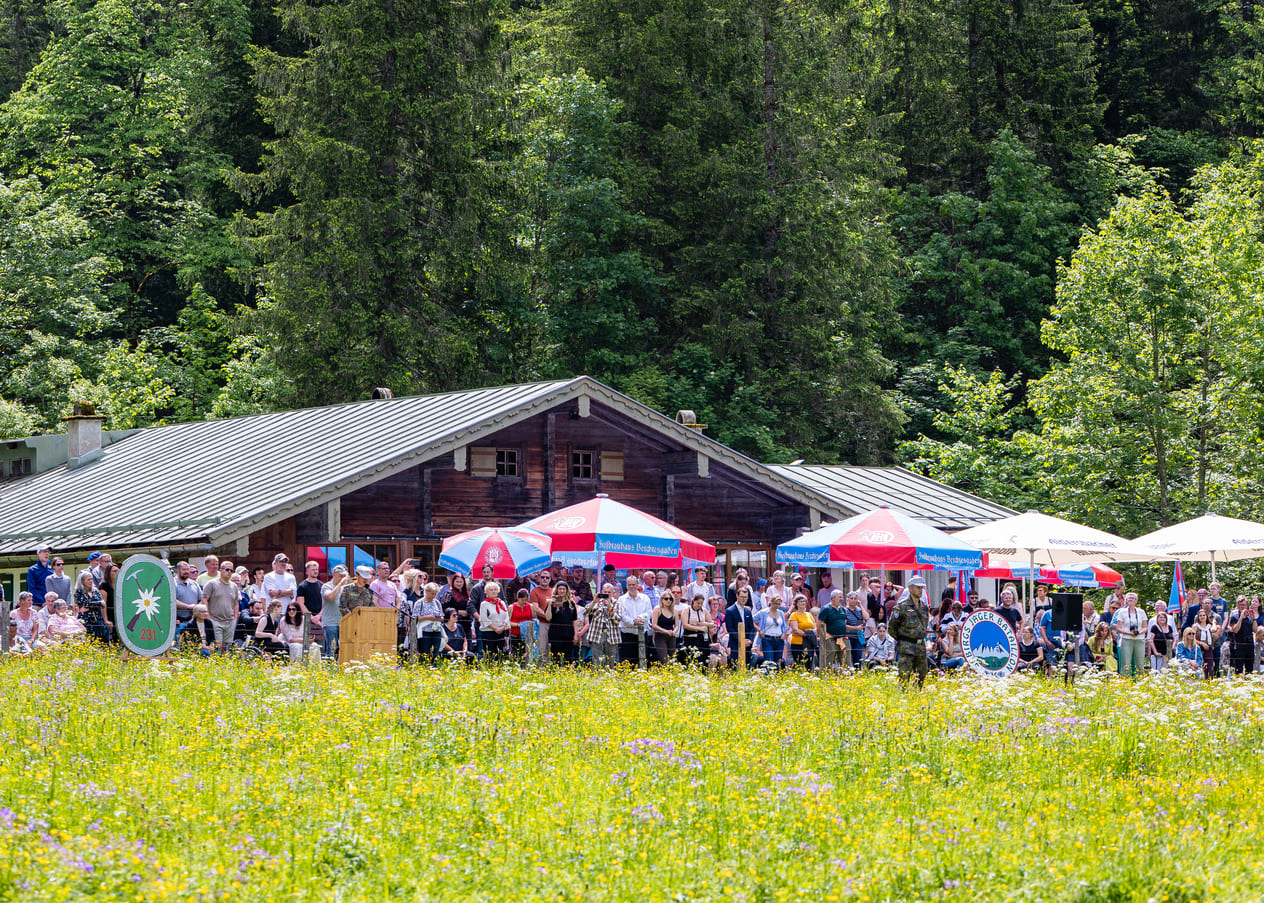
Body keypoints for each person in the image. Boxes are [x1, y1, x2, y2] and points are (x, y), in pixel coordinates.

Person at [888, 577, 931, 688]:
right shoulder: (901, 606)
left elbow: (924, 625)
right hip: (906, 647)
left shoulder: (924, 607)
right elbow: (892, 627)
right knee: (904, 676)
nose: (920, 590)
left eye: (921, 588)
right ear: (910, 589)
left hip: (920, 646)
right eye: (918, 588)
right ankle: (904, 698)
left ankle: (917, 697)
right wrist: (903, 639)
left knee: (921, 675)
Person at [201, 559, 241, 654]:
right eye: (227, 570)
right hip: (215, 620)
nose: (229, 572)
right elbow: (204, 600)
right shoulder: (212, 584)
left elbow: (236, 603)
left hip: (229, 620)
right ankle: (214, 664)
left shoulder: (234, 586)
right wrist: (208, 618)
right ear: (221, 570)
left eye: (232, 570)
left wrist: (235, 619)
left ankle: (222, 664)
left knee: (225, 646)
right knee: (216, 646)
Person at [1111, 592, 1147, 678]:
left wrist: (1139, 632)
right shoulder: (1122, 612)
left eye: (1133, 598)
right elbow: (1118, 628)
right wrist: (1128, 633)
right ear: (1126, 600)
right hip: (1126, 639)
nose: (1131, 599)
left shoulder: (1141, 612)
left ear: (1136, 601)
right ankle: (1125, 681)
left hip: (1139, 639)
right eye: (1129, 598)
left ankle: (1140, 681)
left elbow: (1146, 627)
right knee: (1125, 663)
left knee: (1140, 663)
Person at [618, 578, 652, 667]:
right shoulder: (621, 599)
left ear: (637, 585)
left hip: (642, 633)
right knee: (627, 661)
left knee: (642, 659)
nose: (632, 587)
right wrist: (633, 622)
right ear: (627, 586)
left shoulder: (645, 598)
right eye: (629, 585)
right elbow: (622, 616)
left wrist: (640, 618)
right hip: (627, 634)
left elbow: (649, 613)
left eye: (633, 584)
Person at [584, 585, 620, 668]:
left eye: (609, 592)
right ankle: (596, 678)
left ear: (613, 593)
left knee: (611, 662)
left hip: (612, 635)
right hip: (597, 634)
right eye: (605, 592)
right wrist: (593, 602)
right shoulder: (597, 602)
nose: (606, 594)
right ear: (601, 592)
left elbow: (617, 620)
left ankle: (609, 678)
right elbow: (585, 612)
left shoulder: (617, 603)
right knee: (596, 662)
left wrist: (609, 608)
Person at [72, 569, 111, 644]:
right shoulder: (79, 592)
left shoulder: (95, 591)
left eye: (91, 579)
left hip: (98, 620)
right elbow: (85, 604)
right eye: (88, 580)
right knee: (89, 641)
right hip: (86, 621)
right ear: (82, 581)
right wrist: (97, 604)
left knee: (102, 641)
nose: (91, 581)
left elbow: (103, 604)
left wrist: (90, 606)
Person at [412, 581, 445, 663]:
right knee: (425, 651)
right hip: (424, 631)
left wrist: (438, 618)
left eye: (435, 594)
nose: (434, 596)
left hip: (436, 630)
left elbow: (442, 617)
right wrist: (428, 617)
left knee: (435, 651)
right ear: (426, 592)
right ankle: (424, 665)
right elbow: (415, 618)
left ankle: (434, 665)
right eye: (432, 593)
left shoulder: (437, 602)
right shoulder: (420, 603)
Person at [321, 565, 348, 659]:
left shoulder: (345, 588)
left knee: (346, 649)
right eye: (340, 576)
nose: (342, 578)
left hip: (344, 623)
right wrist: (340, 584)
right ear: (333, 574)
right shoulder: (327, 586)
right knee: (332, 649)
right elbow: (330, 597)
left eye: (343, 576)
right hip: (330, 623)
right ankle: (329, 670)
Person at [547, 583, 579, 664]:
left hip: (568, 634)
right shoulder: (552, 602)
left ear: (566, 590)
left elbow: (574, 620)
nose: (561, 591)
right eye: (560, 589)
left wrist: (576, 634)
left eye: (563, 589)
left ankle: (566, 674)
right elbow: (548, 618)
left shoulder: (571, 604)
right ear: (557, 590)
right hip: (555, 634)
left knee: (567, 658)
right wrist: (550, 605)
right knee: (555, 657)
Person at [817, 590, 849, 671]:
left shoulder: (842, 609)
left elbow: (844, 622)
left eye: (842, 597)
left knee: (846, 661)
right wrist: (821, 637)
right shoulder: (826, 609)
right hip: (830, 639)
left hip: (842, 639)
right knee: (828, 662)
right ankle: (827, 677)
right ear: (833, 598)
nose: (842, 599)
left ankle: (845, 678)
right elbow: (819, 624)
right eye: (840, 597)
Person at [724, 587, 756, 667]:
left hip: (747, 645)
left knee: (747, 668)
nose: (743, 599)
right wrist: (741, 640)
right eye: (742, 597)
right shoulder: (730, 611)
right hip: (735, 644)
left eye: (745, 597)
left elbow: (751, 628)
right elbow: (730, 629)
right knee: (736, 668)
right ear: (737, 596)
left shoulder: (748, 611)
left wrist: (750, 640)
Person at [478, 582, 510, 660]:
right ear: (486, 592)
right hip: (488, 633)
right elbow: (484, 619)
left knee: (500, 655)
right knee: (490, 655)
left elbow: (506, 616)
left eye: (495, 590)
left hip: (501, 632)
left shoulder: (501, 603)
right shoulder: (484, 604)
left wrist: (502, 627)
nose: (493, 591)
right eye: (491, 590)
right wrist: (495, 628)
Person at [753, 595, 787, 669]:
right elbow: (751, 620)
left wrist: (784, 633)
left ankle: (777, 678)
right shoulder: (763, 612)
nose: (777, 606)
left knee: (778, 662)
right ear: (771, 602)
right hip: (768, 639)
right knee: (769, 661)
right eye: (775, 604)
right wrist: (759, 630)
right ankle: (768, 678)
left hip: (779, 639)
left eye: (778, 604)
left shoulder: (781, 613)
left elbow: (783, 626)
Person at [1225, 595, 1256, 675]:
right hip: (1239, 645)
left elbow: (1255, 630)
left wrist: (1254, 619)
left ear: (1247, 606)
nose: (1242, 606)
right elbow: (1235, 630)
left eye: (1243, 605)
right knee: (1238, 669)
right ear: (1237, 606)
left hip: (1249, 645)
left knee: (1249, 669)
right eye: (1240, 605)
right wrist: (1241, 617)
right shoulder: (1234, 616)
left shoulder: (1250, 616)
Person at [679, 593, 712, 665]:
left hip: (703, 639)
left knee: (703, 660)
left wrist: (704, 624)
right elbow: (685, 625)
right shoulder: (687, 610)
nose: (700, 605)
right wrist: (700, 628)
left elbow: (712, 624)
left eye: (701, 603)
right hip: (690, 639)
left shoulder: (704, 610)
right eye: (698, 603)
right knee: (690, 660)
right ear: (693, 600)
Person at [787, 595, 817, 670]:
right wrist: (807, 634)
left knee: (809, 665)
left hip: (809, 643)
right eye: (800, 601)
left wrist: (811, 635)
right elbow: (795, 630)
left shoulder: (809, 614)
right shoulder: (794, 615)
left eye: (804, 601)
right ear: (796, 604)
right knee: (799, 665)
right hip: (798, 643)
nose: (802, 603)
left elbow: (814, 627)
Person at [650, 591, 678, 665]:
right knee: (664, 659)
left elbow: (677, 625)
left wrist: (674, 632)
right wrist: (665, 631)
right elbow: (654, 625)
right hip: (660, 636)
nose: (668, 600)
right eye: (666, 599)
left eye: (670, 599)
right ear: (662, 600)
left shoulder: (674, 610)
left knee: (672, 659)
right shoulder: (657, 609)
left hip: (671, 636)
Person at [174, 560, 202, 626]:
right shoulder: (172, 583)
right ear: (178, 570)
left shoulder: (194, 584)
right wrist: (188, 607)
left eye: (187, 569)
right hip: (179, 622)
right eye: (184, 569)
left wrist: (196, 609)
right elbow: (172, 600)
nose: (186, 572)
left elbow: (201, 599)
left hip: (194, 621)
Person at [1192, 608, 1218, 680]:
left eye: (1204, 615)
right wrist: (1201, 643)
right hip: (1199, 649)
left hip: (1209, 649)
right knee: (1199, 666)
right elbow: (1192, 638)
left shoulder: (1209, 626)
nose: (1202, 617)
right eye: (1200, 616)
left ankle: (1209, 682)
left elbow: (1214, 630)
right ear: (1198, 617)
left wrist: (1214, 623)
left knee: (1209, 667)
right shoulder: (1196, 626)